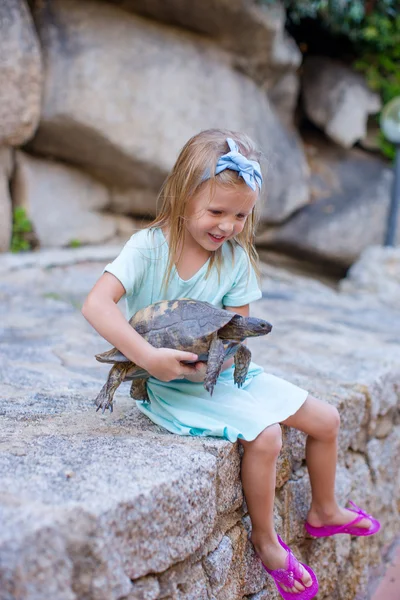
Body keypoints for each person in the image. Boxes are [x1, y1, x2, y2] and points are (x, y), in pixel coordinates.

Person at [82, 129, 380, 599]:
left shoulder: (235, 260)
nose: (227, 226)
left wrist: (224, 363)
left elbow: (234, 334)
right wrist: (149, 359)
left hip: (215, 376)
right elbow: (97, 304)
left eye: (240, 215)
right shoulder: (148, 248)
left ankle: (323, 510)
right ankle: (267, 542)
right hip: (170, 383)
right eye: (217, 212)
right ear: (182, 199)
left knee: (327, 419)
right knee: (268, 435)